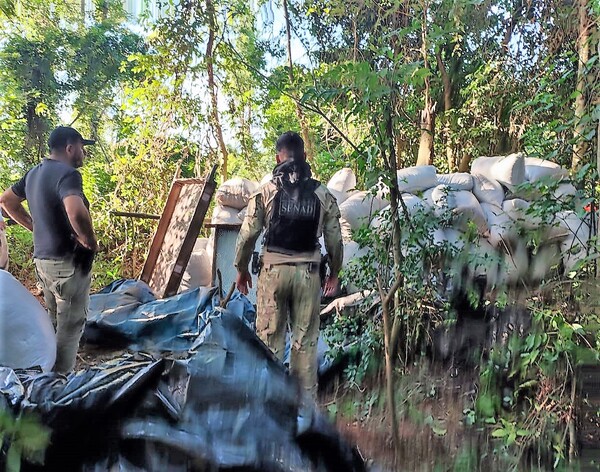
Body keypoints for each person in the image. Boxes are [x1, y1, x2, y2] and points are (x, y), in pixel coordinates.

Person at [234, 131, 343, 397]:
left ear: (277, 157)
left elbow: (248, 234)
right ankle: (304, 415)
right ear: (305, 157)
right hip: (309, 275)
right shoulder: (322, 193)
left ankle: (269, 409)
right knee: (304, 345)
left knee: (269, 343)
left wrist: (241, 268)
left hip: (272, 274)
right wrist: (336, 272)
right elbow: (335, 238)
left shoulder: (266, 191)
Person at [0, 126, 97, 373]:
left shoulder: (33, 174)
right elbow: (75, 210)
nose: (83, 154)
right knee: (70, 326)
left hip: (43, 262)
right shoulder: (67, 175)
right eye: (81, 148)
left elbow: (6, 200)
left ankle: (45, 378)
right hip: (67, 263)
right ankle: (58, 387)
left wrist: (33, 226)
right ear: (69, 148)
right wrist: (89, 240)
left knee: (54, 321)